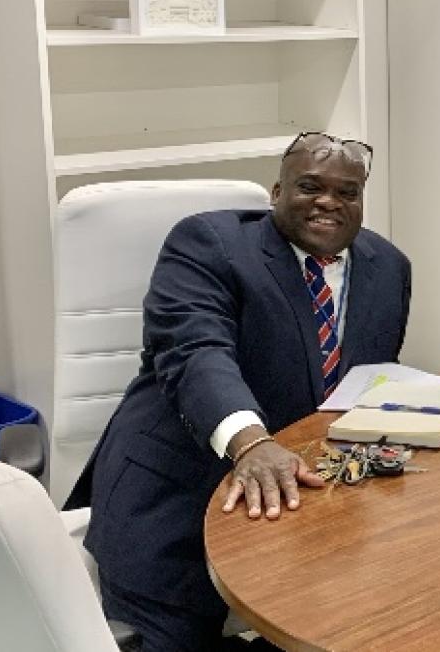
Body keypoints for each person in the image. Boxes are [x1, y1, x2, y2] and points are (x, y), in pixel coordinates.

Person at [68, 133, 412, 651]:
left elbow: (360, 387)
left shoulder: (388, 267)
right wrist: (250, 442)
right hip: (177, 497)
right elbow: (195, 354)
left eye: (347, 192)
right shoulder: (209, 244)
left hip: (303, 508)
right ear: (276, 192)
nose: (329, 202)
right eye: (310, 187)